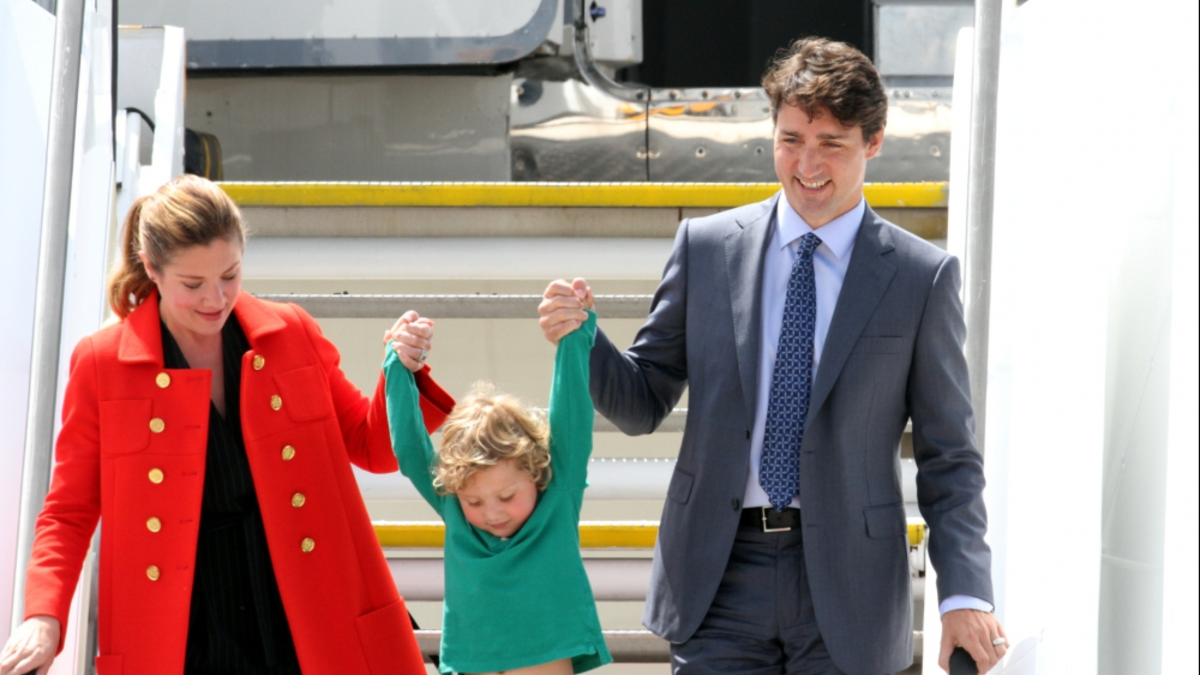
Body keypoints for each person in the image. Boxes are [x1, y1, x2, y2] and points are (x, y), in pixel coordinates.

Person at [538, 37, 1008, 675]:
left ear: (873, 143)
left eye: (831, 144)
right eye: (791, 139)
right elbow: (644, 401)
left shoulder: (921, 277)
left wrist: (965, 594)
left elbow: (949, 459)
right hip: (718, 576)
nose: (806, 164)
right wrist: (584, 339)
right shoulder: (705, 248)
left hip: (851, 589)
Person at [0, 174, 455, 675]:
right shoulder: (103, 363)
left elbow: (373, 447)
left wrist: (401, 372)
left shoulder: (293, 333)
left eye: (230, 275)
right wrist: (43, 618)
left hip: (308, 599)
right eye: (192, 285)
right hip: (185, 618)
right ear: (152, 268)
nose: (216, 298)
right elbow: (68, 510)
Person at [384, 303, 612, 675]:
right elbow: (410, 450)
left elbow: (572, 411)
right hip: (472, 657)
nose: (492, 513)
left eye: (507, 496)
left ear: (536, 472)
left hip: (545, 651)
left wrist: (574, 335)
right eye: (474, 500)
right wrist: (398, 363)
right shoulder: (451, 500)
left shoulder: (558, 491)